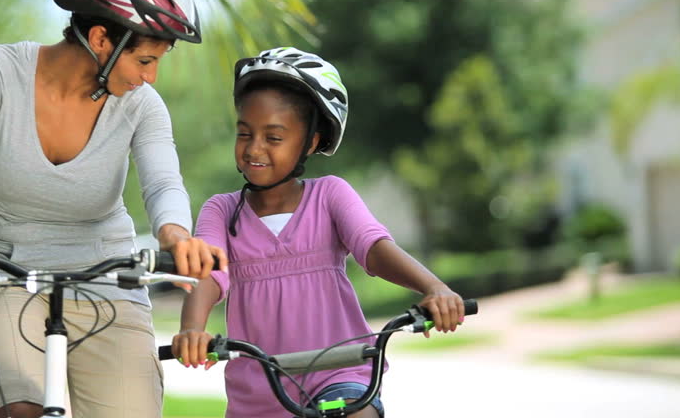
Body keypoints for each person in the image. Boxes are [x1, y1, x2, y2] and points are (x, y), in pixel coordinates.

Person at [0, 0, 225, 417]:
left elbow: (163, 185)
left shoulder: (142, 106)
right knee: (20, 411)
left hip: (108, 275)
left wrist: (177, 235)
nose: (152, 77)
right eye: (145, 60)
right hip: (2, 276)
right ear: (101, 38)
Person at [171, 47, 465, 417]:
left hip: (340, 372)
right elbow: (209, 274)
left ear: (310, 142)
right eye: (245, 134)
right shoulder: (221, 209)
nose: (254, 148)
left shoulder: (330, 195)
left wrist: (434, 288)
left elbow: (373, 247)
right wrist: (192, 329)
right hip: (260, 393)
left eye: (273, 138)